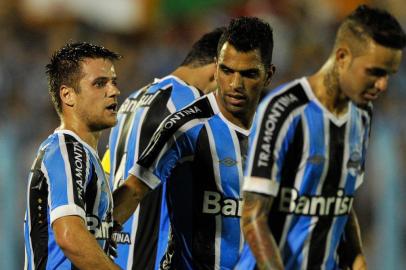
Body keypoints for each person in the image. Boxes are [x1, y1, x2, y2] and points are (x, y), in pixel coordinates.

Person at [238, 5, 406, 270]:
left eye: (389, 74)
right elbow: (252, 215)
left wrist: (357, 257)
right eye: (374, 71)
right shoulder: (284, 109)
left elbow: (341, 198)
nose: (383, 84)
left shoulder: (361, 114)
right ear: (342, 57)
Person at [112, 16, 275, 269]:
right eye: (227, 71)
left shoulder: (277, 131)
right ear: (215, 67)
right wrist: (96, 237)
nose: (235, 84)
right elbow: (132, 189)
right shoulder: (185, 119)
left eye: (249, 74)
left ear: (268, 75)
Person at [102, 27, 225, 270]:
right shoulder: (192, 104)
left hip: (115, 254)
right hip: (154, 259)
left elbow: (108, 168)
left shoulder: (131, 100)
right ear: (216, 69)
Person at [24, 42, 122, 269]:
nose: (114, 91)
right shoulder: (68, 150)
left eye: (114, 82)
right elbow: (70, 236)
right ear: (68, 95)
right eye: (100, 83)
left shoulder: (83, 155)